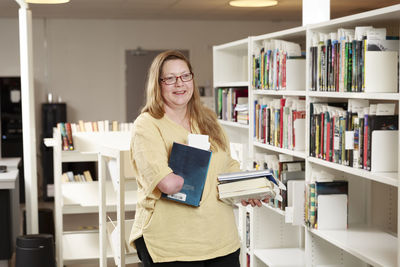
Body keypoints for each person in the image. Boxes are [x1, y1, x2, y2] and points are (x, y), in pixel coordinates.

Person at [128, 50, 264, 267]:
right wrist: (188, 171)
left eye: (185, 76)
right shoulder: (147, 125)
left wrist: (245, 189)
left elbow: (227, 165)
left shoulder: (208, 119)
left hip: (221, 239)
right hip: (172, 244)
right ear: (158, 83)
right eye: (170, 78)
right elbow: (166, 183)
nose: (179, 84)